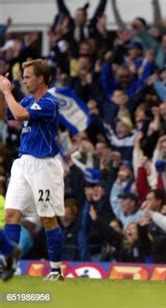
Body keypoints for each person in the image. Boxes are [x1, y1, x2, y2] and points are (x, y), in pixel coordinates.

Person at [0, 59, 66, 281]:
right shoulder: (28, 100)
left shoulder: (49, 103)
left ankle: (56, 270)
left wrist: (8, 92)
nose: (24, 80)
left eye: (27, 76)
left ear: (41, 78)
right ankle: (8, 263)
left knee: (47, 218)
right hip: (23, 162)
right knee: (11, 213)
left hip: (44, 165)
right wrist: (2, 94)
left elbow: (18, 115)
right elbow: (4, 115)